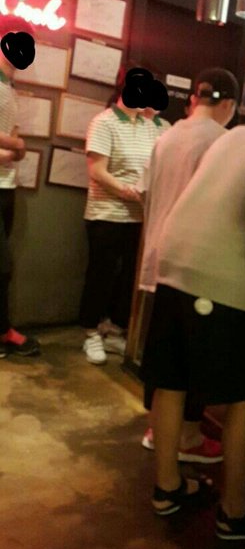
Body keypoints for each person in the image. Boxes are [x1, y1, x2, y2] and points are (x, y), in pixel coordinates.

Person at [139, 84, 245, 539]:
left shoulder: (237, 135)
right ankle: (234, 511)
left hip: (173, 260)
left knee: (171, 380)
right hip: (227, 274)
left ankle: (167, 488)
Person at [138, 68, 241, 462]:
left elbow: (146, 192)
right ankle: (188, 436)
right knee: (191, 358)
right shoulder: (221, 142)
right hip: (195, 263)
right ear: (228, 103)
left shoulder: (166, 136)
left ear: (196, 97)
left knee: (162, 354)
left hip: (158, 255)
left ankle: (157, 429)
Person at [79, 73, 160, 365]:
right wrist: (127, 191)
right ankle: (90, 332)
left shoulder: (150, 126)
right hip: (107, 213)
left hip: (139, 216)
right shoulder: (104, 122)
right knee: (101, 275)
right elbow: (97, 170)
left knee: (129, 278)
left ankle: (114, 327)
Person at [0, 15, 40, 358]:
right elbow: (13, 142)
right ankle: (3, 332)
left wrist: (15, 147)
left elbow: (12, 141)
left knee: (3, 264)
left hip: (6, 184)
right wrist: (16, 146)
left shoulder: (9, 87)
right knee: (1, 265)